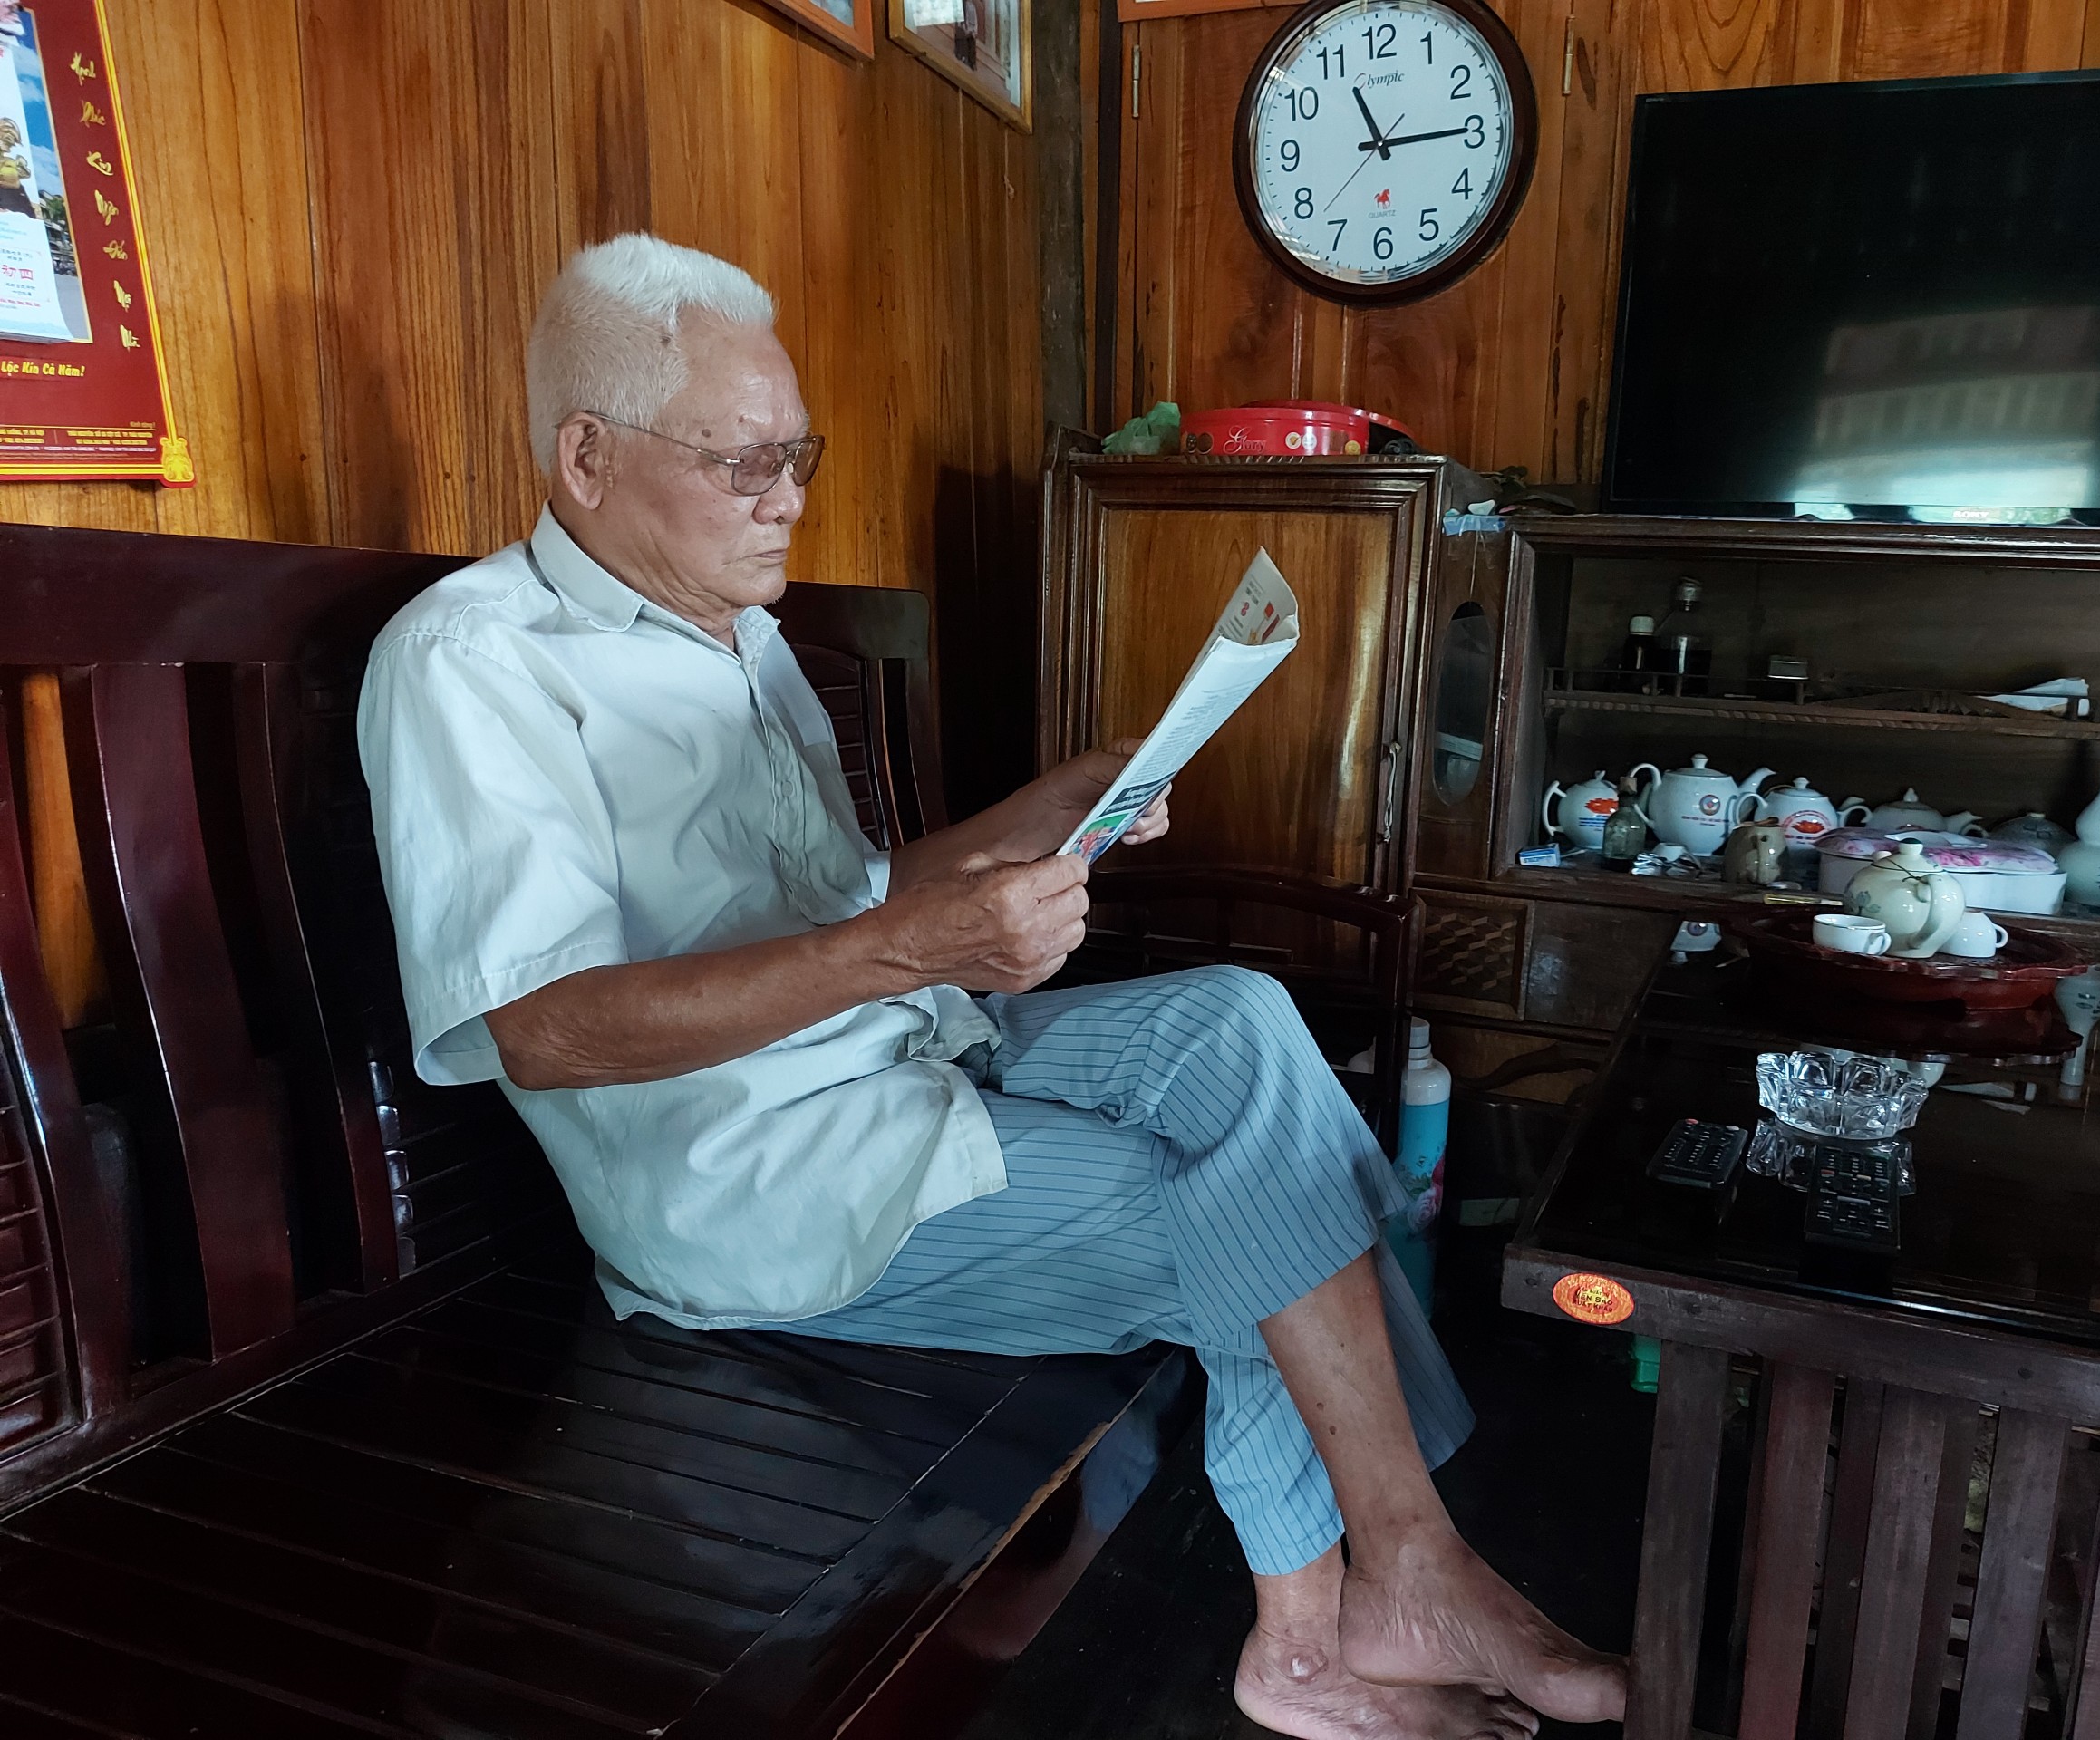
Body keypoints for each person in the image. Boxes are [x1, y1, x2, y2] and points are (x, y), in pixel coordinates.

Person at [358, 232, 1626, 1740]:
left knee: (1239, 1023)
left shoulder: (741, 634)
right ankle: (1321, 1631)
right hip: (751, 1181)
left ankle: (1402, 1570)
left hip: (901, 1054)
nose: (787, 497)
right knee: (1243, 1198)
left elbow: (850, 896)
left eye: (798, 454)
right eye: (743, 461)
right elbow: (544, 1030)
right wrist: (911, 951)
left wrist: (1059, 802)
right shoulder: (471, 663)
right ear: (585, 456)